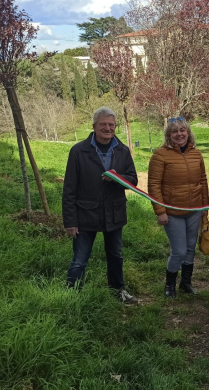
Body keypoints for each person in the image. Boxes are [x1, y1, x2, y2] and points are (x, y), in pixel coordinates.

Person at [63, 107, 138, 304]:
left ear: (115, 127)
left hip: (114, 213)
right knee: (80, 259)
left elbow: (133, 179)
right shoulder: (79, 151)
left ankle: (118, 292)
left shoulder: (122, 150)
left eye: (111, 125)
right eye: (103, 124)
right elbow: (69, 188)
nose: (107, 128)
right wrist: (70, 221)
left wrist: (117, 178)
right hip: (85, 215)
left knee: (115, 255)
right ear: (94, 126)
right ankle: (71, 296)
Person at [148, 117, 209, 298]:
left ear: (188, 133)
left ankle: (186, 282)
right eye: (174, 131)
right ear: (169, 135)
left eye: (182, 130)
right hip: (172, 212)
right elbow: (154, 185)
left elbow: (203, 181)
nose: (179, 134)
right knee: (179, 251)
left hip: (194, 210)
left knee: (190, 248)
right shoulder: (160, 155)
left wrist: (205, 206)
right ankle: (169, 285)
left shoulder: (196, 154)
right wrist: (160, 211)